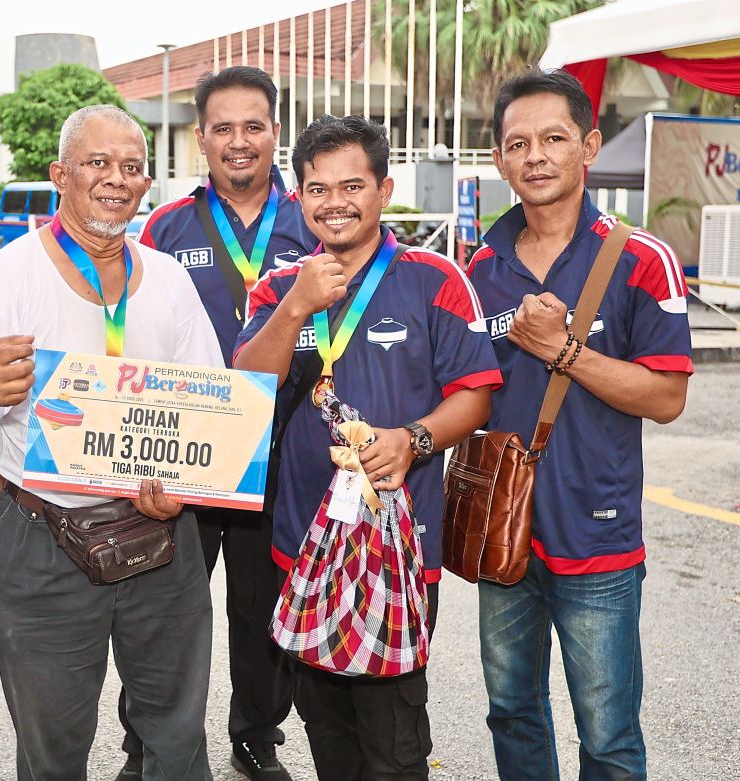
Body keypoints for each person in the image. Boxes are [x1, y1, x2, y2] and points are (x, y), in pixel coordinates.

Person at [0, 105, 221, 781]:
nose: (116, 179)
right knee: (52, 751)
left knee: (176, 743)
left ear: (147, 183)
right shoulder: (11, 274)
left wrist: (185, 489)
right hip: (46, 542)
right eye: (97, 163)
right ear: (60, 175)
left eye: (131, 166)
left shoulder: (170, 280)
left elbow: (210, 407)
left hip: (162, 542)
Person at [234, 114, 501, 780]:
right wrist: (296, 306)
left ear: (384, 188)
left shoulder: (434, 278)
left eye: (352, 184)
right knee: (326, 725)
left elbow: (475, 395)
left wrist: (412, 441)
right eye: (317, 188)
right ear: (298, 198)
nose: (335, 202)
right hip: (301, 547)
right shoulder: (277, 288)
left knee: (394, 739)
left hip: (398, 552)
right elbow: (245, 388)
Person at [467, 69, 692, 781]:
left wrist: (565, 350)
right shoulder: (480, 264)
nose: (535, 155)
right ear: (500, 158)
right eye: (518, 143)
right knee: (511, 709)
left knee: (608, 734)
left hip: (598, 533)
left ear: (588, 145)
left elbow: (667, 397)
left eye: (554, 138)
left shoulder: (639, 258)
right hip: (503, 529)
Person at [124, 65, 318, 781]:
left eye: (254, 126)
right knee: (163, 607)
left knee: (263, 608)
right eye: (224, 128)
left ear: (276, 131)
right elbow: (136, 332)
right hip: (187, 449)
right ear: (201, 138)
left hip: (284, 446)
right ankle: (145, 738)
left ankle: (256, 734)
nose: (240, 141)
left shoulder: (314, 219)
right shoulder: (165, 227)